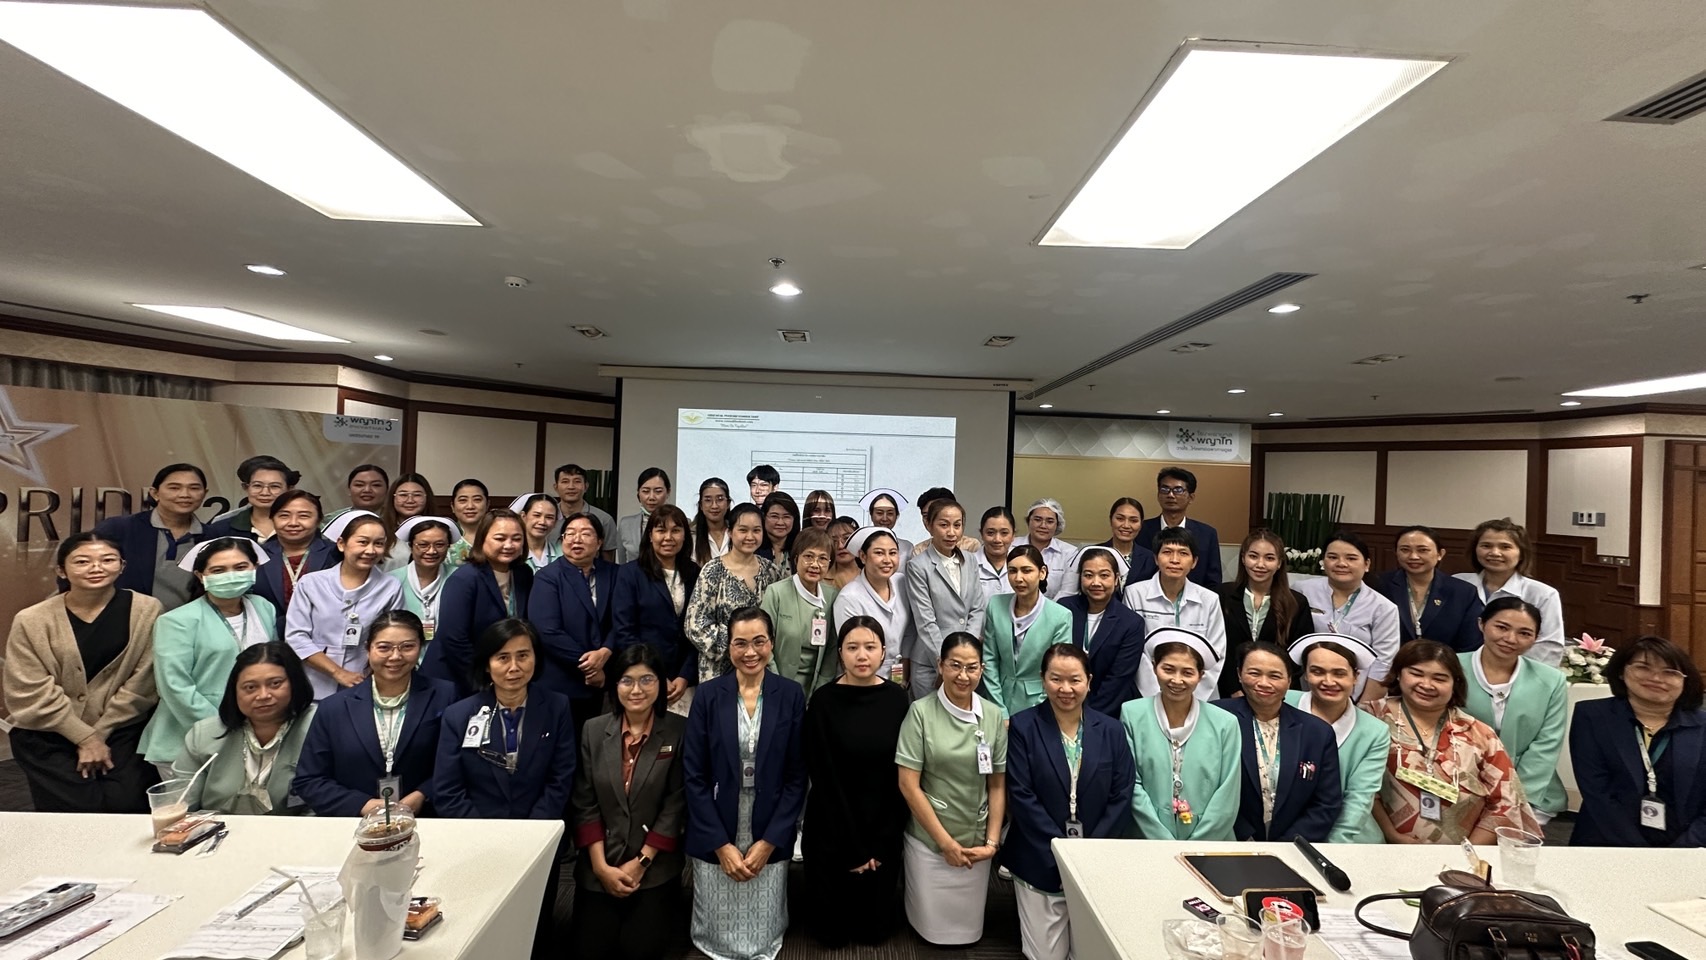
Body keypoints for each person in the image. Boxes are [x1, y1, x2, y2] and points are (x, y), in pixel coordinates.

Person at [434, 619, 578, 957]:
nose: (514, 667)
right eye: (502, 657)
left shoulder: (557, 707)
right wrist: (490, 836)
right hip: (477, 842)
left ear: (535, 659)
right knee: (482, 927)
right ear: (487, 664)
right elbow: (447, 790)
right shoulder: (459, 715)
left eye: (523, 656)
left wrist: (531, 836)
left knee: (536, 925)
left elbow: (561, 778)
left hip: (539, 838)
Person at [4, 532, 163, 812]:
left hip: (122, 728)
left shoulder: (147, 610)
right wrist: (84, 738)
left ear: (122, 566)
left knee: (127, 806)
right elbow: (28, 689)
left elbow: (144, 681)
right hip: (50, 731)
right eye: (82, 561)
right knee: (73, 814)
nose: (96, 568)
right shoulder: (31, 620)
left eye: (108, 560)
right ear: (61, 570)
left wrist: (99, 735)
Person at [683, 607, 806, 960]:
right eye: (740, 643)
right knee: (717, 913)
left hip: (769, 818)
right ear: (729, 646)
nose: (750, 652)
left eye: (759, 642)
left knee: (762, 917)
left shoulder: (790, 695)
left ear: (772, 643)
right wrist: (721, 845)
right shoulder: (708, 695)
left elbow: (796, 777)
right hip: (718, 818)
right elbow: (694, 775)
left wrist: (769, 842)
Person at [1004, 645, 1134, 960]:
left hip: (1095, 857)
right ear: (1042, 679)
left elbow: (1121, 794)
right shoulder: (1023, 726)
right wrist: (1061, 854)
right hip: (1039, 856)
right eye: (1056, 679)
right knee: (1046, 956)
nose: (1066, 689)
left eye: (1075, 680)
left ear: (1089, 681)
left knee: (1092, 950)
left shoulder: (1112, 730)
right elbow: (1021, 794)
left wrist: (1087, 853)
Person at [569, 644, 688, 960]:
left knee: (641, 950)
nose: (637, 690)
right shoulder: (593, 730)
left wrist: (641, 863)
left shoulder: (678, 731)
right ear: (614, 684)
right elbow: (584, 802)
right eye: (627, 680)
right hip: (600, 863)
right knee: (590, 950)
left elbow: (675, 805)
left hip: (654, 866)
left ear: (660, 683)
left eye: (647, 679)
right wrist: (600, 867)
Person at [801, 617, 912, 947]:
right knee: (829, 938)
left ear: (883, 652)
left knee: (874, 935)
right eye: (852, 648)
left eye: (869, 647)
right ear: (840, 653)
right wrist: (855, 848)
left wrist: (877, 845)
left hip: (881, 826)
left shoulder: (897, 699)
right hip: (832, 825)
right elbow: (823, 779)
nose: (861, 655)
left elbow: (901, 776)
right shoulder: (822, 701)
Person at [895, 632, 1007, 947]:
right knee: (930, 930)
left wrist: (992, 843)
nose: (963, 675)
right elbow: (908, 785)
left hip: (976, 843)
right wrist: (945, 843)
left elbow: (997, 784)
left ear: (982, 669)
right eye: (955, 665)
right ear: (940, 665)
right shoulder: (920, 712)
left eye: (972, 667)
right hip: (931, 840)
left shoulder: (993, 716)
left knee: (970, 930)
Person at [1367, 640, 1539, 845]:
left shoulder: (1479, 734)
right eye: (1416, 674)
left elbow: (1506, 801)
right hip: (1378, 844)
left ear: (1455, 683)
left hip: (1464, 852)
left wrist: (1467, 852)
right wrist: (1391, 835)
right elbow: (1357, 787)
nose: (1426, 685)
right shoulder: (1370, 718)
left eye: (1439, 678)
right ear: (1398, 673)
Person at [292, 611, 456, 816]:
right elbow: (309, 780)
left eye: (407, 647)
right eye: (384, 647)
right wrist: (364, 805)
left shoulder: (446, 695)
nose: (395, 656)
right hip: (355, 821)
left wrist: (423, 793)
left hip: (426, 818)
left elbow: (458, 764)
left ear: (420, 647)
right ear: (368, 649)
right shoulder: (333, 708)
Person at [139, 538, 277, 779]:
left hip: (255, 733)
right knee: (190, 804)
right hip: (188, 737)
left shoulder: (264, 607)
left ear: (254, 568)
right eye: (218, 570)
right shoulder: (177, 621)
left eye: (240, 567)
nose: (231, 576)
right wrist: (222, 728)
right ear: (200, 576)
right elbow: (174, 686)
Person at [1571, 636, 1706, 847]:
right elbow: (1597, 792)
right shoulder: (1592, 716)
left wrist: (1681, 851)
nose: (1657, 678)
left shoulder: (1702, 726)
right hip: (1606, 842)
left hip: (1687, 846)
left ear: (1685, 681)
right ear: (1621, 671)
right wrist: (1641, 854)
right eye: (1643, 668)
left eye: (1670, 672)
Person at [1213, 642, 1343, 842]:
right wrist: (1243, 836)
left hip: (1295, 844)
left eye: (1275, 676)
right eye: (1254, 673)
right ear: (1239, 674)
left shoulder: (1317, 732)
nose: (1264, 683)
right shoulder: (1216, 717)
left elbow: (1326, 803)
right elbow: (1206, 787)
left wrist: (1288, 844)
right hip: (1229, 839)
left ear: (1289, 680)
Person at [1119, 629, 1241, 840]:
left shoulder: (1225, 723)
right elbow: (1132, 783)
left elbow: (1227, 794)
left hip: (1212, 840)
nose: (1177, 680)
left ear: (1201, 675)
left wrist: (1197, 845)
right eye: (1168, 669)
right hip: (1146, 838)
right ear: (1154, 667)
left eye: (1187, 673)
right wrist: (1163, 841)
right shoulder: (1132, 714)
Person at [173, 642, 316, 815]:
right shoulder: (204, 734)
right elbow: (181, 805)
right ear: (234, 691)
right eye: (250, 687)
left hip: (296, 829)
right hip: (216, 828)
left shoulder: (318, 728)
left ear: (295, 683)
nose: (263, 695)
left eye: (275, 683)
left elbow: (324, 804)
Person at [1457, 598, 1566, 824]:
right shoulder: (1451, 667)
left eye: (1524, 633)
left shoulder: (1551, 680)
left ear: (1536, 638)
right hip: (1458, 781)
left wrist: (1514, 798)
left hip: (1527, 790)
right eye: (1502, 627)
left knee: (1514, 840)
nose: (1510, 639)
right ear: (1481, 624)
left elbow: (1547, 743)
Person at [285, 510, 405, 700]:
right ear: (341, 544)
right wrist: (337, 672)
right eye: (363, 542)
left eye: (379, 544)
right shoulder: (311, 583)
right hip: (313, 684)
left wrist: (371, 674)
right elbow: (296, 637)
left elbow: (392, 636)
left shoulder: (390, 587)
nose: (370, 550)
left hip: (364, 682)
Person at [1284, 634, 1391, 843]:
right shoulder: (1283, 704)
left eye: (1339, 673)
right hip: (1283, 832)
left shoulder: (1374, 732)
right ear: (1305, 674)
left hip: (1348, 838)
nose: (1328, 681)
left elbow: (1359, 799)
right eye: (1317, 672)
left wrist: (1334, 847)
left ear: (1355, 676)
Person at [418, 508, 532, 697]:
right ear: (482, 539)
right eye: (500, 538)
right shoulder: (465, 578)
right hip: (456, 678)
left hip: (499, 673)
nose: (509, 545)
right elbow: (454, 639)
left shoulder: (523, 574)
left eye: (516, 539)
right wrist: (485, 679)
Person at [532, 512, 619, 732]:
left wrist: (606, 651)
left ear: (599, 542)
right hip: (562, 680)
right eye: (569, 534)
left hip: (606, 678)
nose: (576, 539)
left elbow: (623, 619)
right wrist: (591, 667)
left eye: (585, 534)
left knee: (598, 744)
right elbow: (548, 631)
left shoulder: (615, 574)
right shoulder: (548, 577)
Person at [611, 505, 700, 715]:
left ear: (685, 536)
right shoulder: (630, 574)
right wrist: (655, 674)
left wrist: (685, 675)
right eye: (661, 530)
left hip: (684, 681)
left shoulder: (694, 573)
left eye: (676, 530)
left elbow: (697, 628)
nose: (668, 537)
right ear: (650, 535)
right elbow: (624, 631)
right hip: (643, 676)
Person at [684, 503, 784, 684]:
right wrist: (738, 643)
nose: (750, 537)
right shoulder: (713, 570)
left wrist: (759, 647)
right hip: (719, 671)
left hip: (761, 667)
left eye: (756, 530)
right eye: (743, 530)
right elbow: (695, 625)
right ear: (730, 532)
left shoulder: (771, 571)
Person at [93, 463, 213, 611]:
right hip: (125, 619)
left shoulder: (212, 537)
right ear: (155, 493)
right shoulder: (118, 529)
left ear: (204, 493)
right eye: (174, 488)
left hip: (187, 622)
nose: (185, 494)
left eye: (194, 488)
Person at [1125, 527, 1227, 699]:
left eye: (1183, 553)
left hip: (1199, 694)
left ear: (1194, 562)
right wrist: (1157, 694)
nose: (1174, 560)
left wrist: (1191, 696)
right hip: (1147, 693)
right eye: (1167, 552)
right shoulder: (1135, 594)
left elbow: (1216, 653)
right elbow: (1136, 651)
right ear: (1156, 558)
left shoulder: (1209, 600)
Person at [1296, 532, 1401, 699]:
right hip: (1305, 688)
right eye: (1332, 557)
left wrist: (1365, 705)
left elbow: (1384, 663)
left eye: (1351, 558)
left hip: (1356, 693)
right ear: (1323, 561)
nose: (1341, 564)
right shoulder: (1301, 591)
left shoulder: (1383, 608)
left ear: (1366, 564)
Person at [906, 498, 989, 699]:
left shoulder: (970, 560)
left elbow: (977, 608)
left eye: (957, 525)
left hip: (966, 664)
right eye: (944, 525)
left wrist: (966, 654)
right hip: (931, 663)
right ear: (929, 525)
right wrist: (946, 662)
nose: (951, 532)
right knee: (930, 717)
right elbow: (925, 621)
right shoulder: (917, 566)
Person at [1454, 518, 1565, 666]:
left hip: (1518, 673)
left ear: (1521, 553)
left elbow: (1549, 646)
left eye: (1505, 547)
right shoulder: (1458, 582)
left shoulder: (1543, 594)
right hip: (1458, 667)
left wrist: (1507, 672)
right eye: (1486, 546)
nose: (1494, 553)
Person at [1217, 530, 1314, 697]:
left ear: (1279, 563)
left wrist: (1274, 684)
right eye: (1253, 556)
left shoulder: (1296, 602)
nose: (1260, 564)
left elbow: (1300, 652)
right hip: (1230, 690)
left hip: (1279, 691)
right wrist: (1234, 688)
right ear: (1243, 558)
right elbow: (1217, 647)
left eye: (1269, 558)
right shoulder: (1221, 595)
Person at [983, 545, 1073, 715]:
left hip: (1039, 704)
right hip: (998, 698)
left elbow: (1058, 671)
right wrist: (999, 708)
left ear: (1042, 573)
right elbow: (989, 660)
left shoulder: (1060, 616)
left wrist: (1033, 715)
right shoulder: (996, 605)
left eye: (1026, 571)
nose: (1018, 578)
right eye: (1012, 571)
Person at [1057, 546, 1146, 717]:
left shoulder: (1131, 623)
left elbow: (1118, 679)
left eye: (1104, 575)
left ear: (1116, 579)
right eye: (1088, 575)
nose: (1096, 582)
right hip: (1061, 702)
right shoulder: (1064, 608)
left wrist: (1086, 716)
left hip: (1107, 712)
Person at [1376, 525, 1484, 651]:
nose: (1413, 556)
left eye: (1423, 550)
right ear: (1396, 553)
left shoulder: (1463, 592)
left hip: (1446, 661)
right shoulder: (1379, 585)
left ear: (1440, 554)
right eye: (1405, 550)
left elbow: (1470, 643)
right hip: (1391, 661)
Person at [761, 527, 840, 692]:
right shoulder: (776, 592)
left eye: (822, 558)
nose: (815, 565)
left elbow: (832, 649)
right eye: (809, 556)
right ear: (796, 558)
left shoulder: (832, 596)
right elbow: (763, 643)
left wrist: (821, 689)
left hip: (817, 688)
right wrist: (778, 685)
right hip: (778, 683)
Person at [832, 526, 913, 685]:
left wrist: (903, 677)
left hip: (900, 674)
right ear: (863, 556)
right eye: (879, 553)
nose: (887, 560)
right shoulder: (849, 598)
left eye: (893, 553)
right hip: (861, 679)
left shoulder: (901, 582)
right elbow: (851, 651)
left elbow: (910, 633)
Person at [253, 490, 336, 633]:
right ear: (272, 518)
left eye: (304, 516)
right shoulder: (256, 555)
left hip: (324, 636)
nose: (293, 523)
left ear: (319, 520)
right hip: (270, 636)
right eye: (284, 516)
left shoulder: (336, 554)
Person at [1136, 467, 1222, 587]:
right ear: (1158, 494)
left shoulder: (1207, 534)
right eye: (1165, 489)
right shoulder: (1140, 530)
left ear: (1191, 497)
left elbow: (1213, 581)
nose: (1170, 495)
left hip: (1195, 598)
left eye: (1178, 490)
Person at [387, 516, 455, 645]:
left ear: (448, 546)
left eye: (440, 545)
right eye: (423, 545)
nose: (432, 551)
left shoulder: (459, 577)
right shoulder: (392, 580)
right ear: (410, 546)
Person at [205, 456, 299, 542]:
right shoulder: (221, 528)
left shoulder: (302, 525)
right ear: (246, 487)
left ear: (289, 489)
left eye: (274, 486)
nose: (265, 493)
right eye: (257, 486)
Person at [1090, 497, 1158, 589]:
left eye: (1133, 520)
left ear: (1141, 524)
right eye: (1120, 519)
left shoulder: (1150, 559)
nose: (1126, 525)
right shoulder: (1093, 553)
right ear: (1111, 520)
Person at [555, 463, 617, 559]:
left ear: (586, 486)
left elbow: (608, 560)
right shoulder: (546, 517)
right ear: (556, 487)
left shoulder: (604, 519)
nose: (571, 487)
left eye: (577, 481)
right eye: (565, 481)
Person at [1017, 498, 1077, 598]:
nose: (1043, 525)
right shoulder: (1011, 546)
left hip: (1055, 607)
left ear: (1057, 525)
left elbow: (1067, 592)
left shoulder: (1069, 553)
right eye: (1037, 520)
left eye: (1050, 521)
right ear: (1028, 521)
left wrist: (1047, 608)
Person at [379, 473, 435, 571]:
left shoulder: (438, 530)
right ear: (393, 498)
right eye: (403, 495)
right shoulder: (379, 529)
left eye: (417, 495)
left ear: (427, 497)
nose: (410, 500)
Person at [614, 467, 672, 564]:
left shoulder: (681, 523)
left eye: (658, 491)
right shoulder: (626, 524)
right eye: (645, 491)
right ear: (638, 493)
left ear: (668, 492)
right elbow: (622, 562)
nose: (651, 497)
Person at [443, 479, 491, 569]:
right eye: (463, 500)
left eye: (477, 500)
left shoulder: (497, 536)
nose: (470, 506)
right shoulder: (443, 537)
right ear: (452, 506)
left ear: (487, 504)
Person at [859, 488, 915, 560]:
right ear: (871, 515)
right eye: (879, 513)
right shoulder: (861, 544)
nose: (885, 519)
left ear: (896, 516)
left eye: (890, 513)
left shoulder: (907, 548)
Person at [976, 506, 1017, 602]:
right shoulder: (969, 564)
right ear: (981, 534)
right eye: (990, 533)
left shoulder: (1023, 562)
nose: (997, 539)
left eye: (1004, 533)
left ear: (1013, 535)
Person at [689, 477, 733, 564]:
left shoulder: (737, 533)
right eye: (708, 500)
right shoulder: (691, 536)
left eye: (720, 499)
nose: (714, 506)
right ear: (701, 505)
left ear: (728, 503)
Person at [755, 491, 799, 567]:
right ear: (763, 517)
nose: (780, 523)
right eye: (774, 516)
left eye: (786, 517)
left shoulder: (800, 549)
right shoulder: (753, 548)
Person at [826, 516, 861, 589]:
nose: (840, 546)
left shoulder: (872, 576)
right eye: (834, 541)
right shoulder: (822, 581)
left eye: (846, 538)